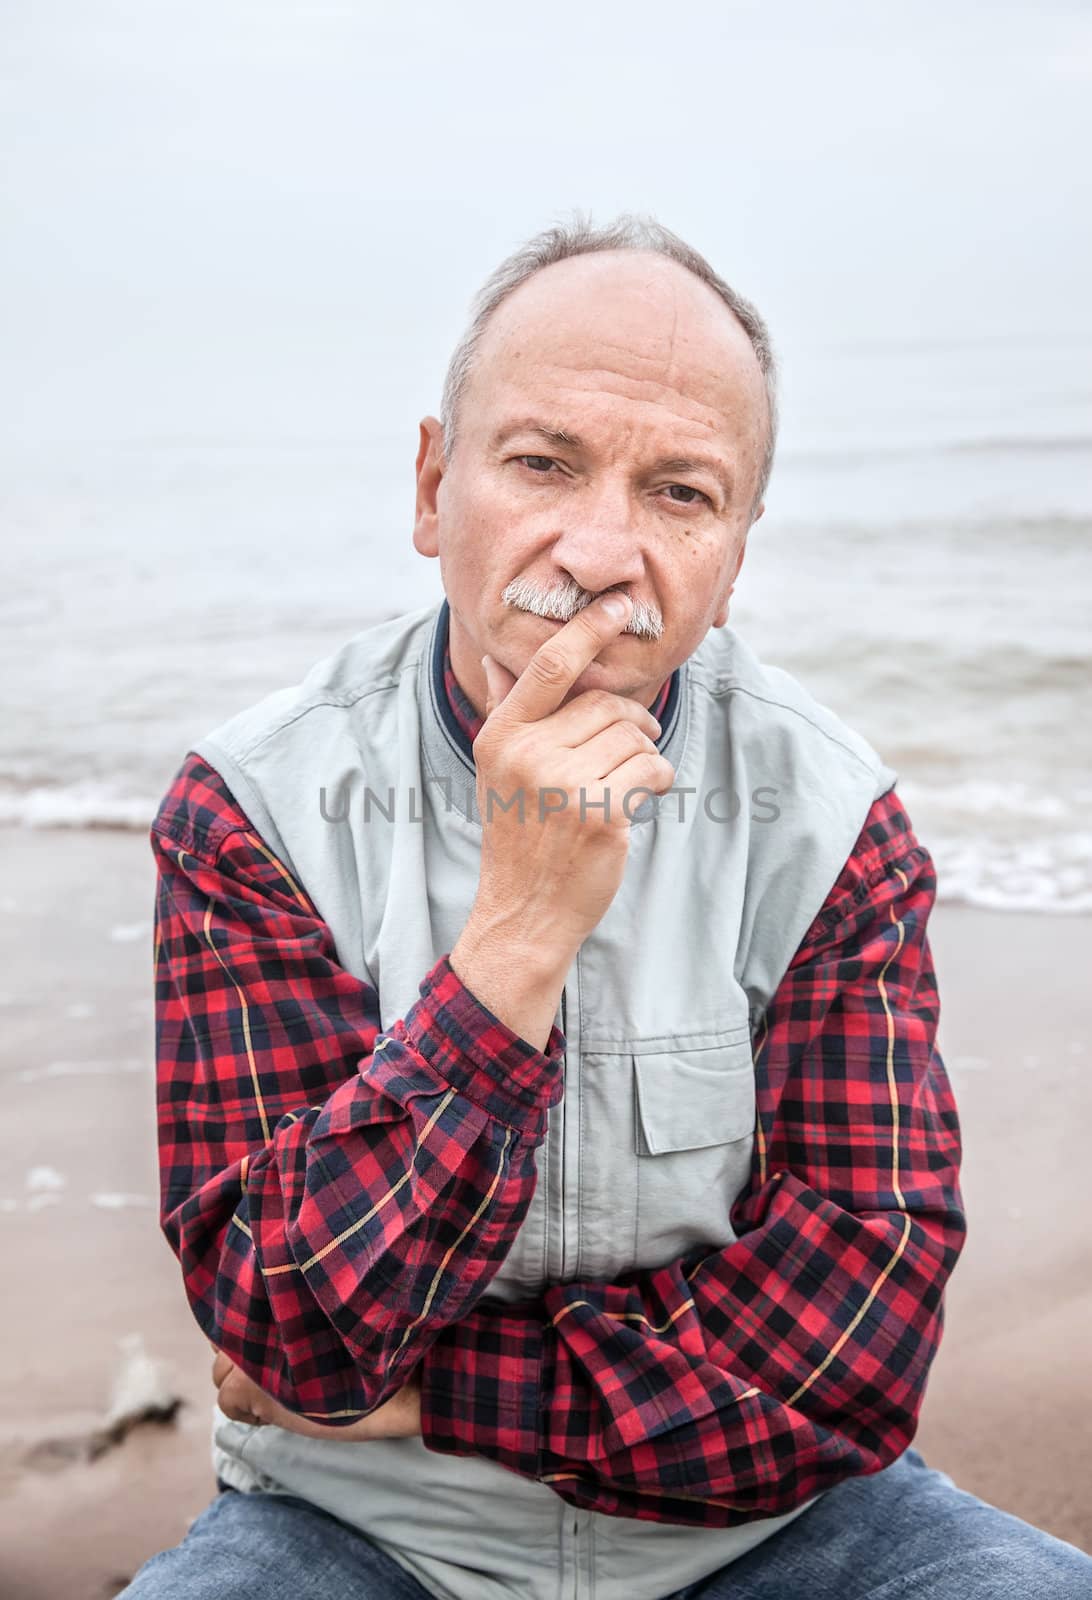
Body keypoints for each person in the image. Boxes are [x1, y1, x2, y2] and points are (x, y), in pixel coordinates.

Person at [124, 214, 1092, 1598]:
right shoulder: (252, 810)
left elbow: (851, 1364)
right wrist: (517, 934)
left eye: (681, 493)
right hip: (365, 1530)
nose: (597, 551)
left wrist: (425, 1402)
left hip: (772, 1532)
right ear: (429, 485)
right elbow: (296, 1333)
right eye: (541, 464)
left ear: (736, 558)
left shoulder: (833, 823)